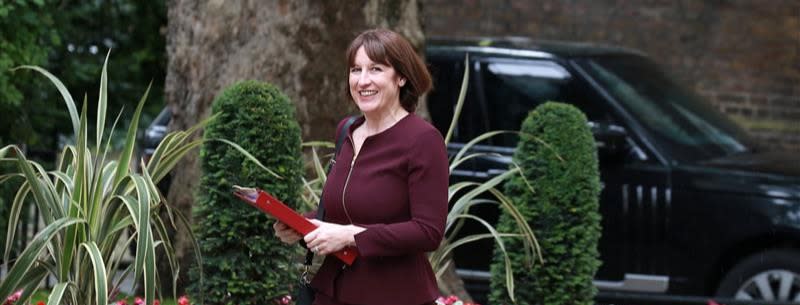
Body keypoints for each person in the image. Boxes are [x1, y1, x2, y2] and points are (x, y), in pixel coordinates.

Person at [273, 28, 449, 305]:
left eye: (376, 69)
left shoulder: (424, 140)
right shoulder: (346, 130)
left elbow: (428, 231)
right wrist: (304, 226)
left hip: (392, 295)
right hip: (333, 291)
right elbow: (344, 210)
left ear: (401, 77)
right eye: (356, 70)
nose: (363, 80)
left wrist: (349, 236)